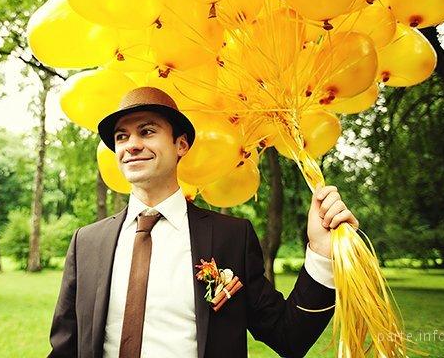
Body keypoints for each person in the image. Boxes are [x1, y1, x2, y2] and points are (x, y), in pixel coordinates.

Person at [47, 87, 359, 358]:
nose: (132, 145)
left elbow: (288, 336)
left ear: (180, 145)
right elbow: (65, 349)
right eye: (121, 137)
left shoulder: (231, 238)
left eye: (147, 131)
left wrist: (322, 252)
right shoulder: (87, 243)